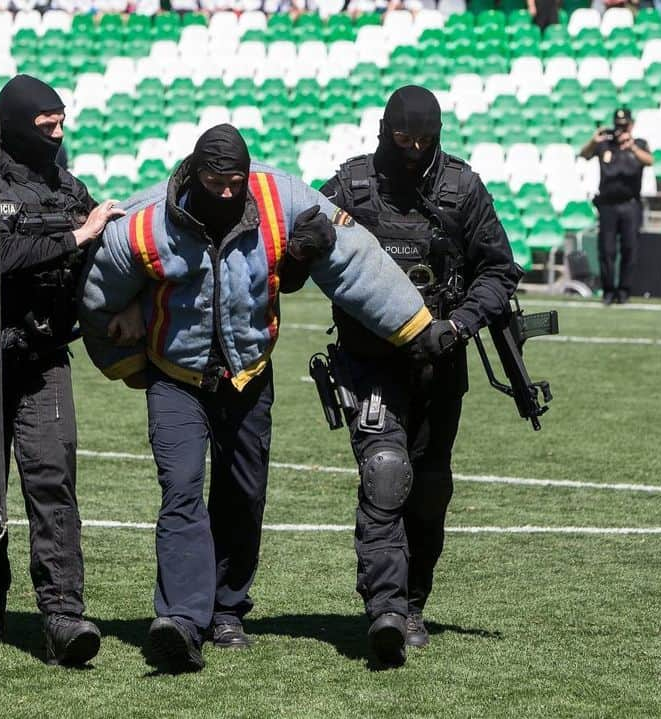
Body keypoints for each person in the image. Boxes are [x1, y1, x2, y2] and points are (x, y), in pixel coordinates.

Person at [80, 123, 440, 674]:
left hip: (249, 376)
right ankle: (181, 620)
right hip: (176, 378)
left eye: (234, 180)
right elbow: (100, 291)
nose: (226, 191)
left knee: (243, 496)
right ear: (191, 172)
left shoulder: (282, 198)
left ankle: (228, 610)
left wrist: (415, 326)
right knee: (180, 490)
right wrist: (125, 363)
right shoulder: (145, 222)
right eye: (213, 179)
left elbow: (353, 261)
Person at [318, 85, 521, 667]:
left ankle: (412, 602)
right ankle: (384, 609)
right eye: (402, 138)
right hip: (368, 360)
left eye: (424, 140)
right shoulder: (350, 187)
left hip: (441, 360)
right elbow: (300, 247)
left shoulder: (463, 188)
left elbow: (499, 269)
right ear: (384, 130)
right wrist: (307, 246)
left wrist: (458, 325)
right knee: (386, 475)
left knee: (429, 492)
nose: (412, 149)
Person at [0, 74, 123, 666]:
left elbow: (100, 257)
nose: (56, 132)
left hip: (45, 358)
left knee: (53, 483)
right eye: (45, 123)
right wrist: (78, 235)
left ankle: (63, 617)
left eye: (61, 121)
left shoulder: (69, 187)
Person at [580, 107, 653, 305]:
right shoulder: (605, 145)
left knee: (630, 248)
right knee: (607, 250)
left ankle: (624, 292)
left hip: (630, 204)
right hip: (608, 206)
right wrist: (593, 141)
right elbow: (584, 154)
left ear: (631, 125)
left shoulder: (638, 144)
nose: (621, 129)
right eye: (618, 125)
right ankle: (608, 291)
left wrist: (632, 148)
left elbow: (650, 161)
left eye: (624, 125)